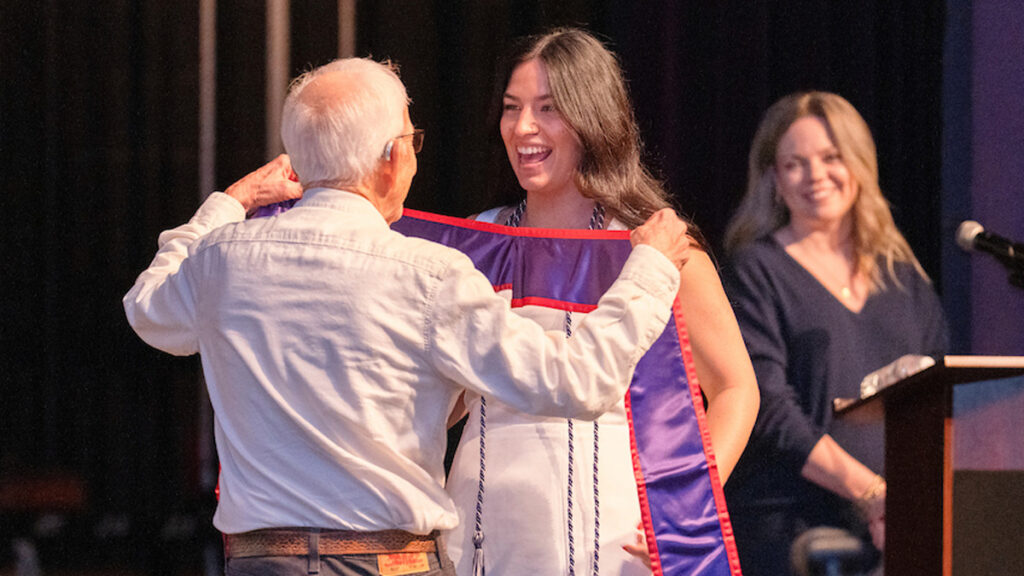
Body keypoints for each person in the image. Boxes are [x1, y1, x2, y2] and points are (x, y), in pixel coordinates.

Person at [122, 57, 695, 576]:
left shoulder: (222, 259)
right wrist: (647, 272)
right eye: (411, 141)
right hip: (386, 562)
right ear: (391, 159)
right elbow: (574, 381)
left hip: (262, 563)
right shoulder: (429, 274)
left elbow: (148, 309)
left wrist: (232, 201)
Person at [443, 28, 760, 575]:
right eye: (511, 108)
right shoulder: (477, 241)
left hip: (611, 532)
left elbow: (736, 388)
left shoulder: (654, 247)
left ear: (594, 117)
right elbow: (439, 398)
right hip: (480, 527)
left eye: (549, 108)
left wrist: (680, 507)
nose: (523, 128)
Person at [720, 91, 948, 575]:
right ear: (774, 180)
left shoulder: (903, 276)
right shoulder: (756, 270)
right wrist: (871, 494)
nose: (815, 175)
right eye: (795, 164)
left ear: (859, 165)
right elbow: (770, 410)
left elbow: (937, 399)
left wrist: (908, 505)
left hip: (896, 522)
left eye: (831, 157)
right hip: (793, 529)